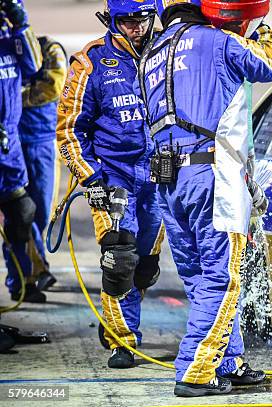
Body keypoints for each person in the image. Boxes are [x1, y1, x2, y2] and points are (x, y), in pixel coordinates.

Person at [140, 0, 272, 397]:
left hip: (168, 182)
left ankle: (230, 361)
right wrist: (261, 30)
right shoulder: (217, 40)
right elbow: (271, 66)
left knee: (200, 280)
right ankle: (195, 371)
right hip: (213, 177)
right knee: (221, 282)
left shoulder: (150, 54)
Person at [56, 0, 164, 369]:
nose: (136, 28)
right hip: (114, 177)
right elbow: (69, 132)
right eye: (127, 21)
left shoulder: (169, 54)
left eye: (142, 20)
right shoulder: (89, 63)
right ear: (111, 20)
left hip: (159, 176)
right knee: (119, 259)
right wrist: (91, 179)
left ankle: (116, 313)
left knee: (144, 267)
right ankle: (123, 340)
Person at [0, 0, 44, 303]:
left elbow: (34, 65)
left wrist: (21, 23)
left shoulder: (11, 38)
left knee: (22, 213)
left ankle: (22, 282)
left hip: (9, 145)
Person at [18, 36, 68, 291]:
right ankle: (27, 277)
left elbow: (53, 85)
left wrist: (11, 96)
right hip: (11, 142)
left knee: (41, 213)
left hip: (42, 142)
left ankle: (32, 273)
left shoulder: (49, 47)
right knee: (17, 212)